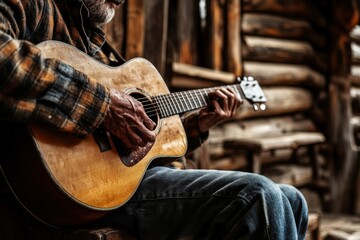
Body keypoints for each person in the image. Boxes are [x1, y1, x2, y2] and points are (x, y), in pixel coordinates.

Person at [0, 0, 309, 239]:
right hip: (64, 194)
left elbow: (131, 148)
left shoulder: (93, 42)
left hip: (115, 185)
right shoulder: (35, 7)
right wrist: (105, 107)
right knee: (258, 198)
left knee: (292, 199)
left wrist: (194, 126)